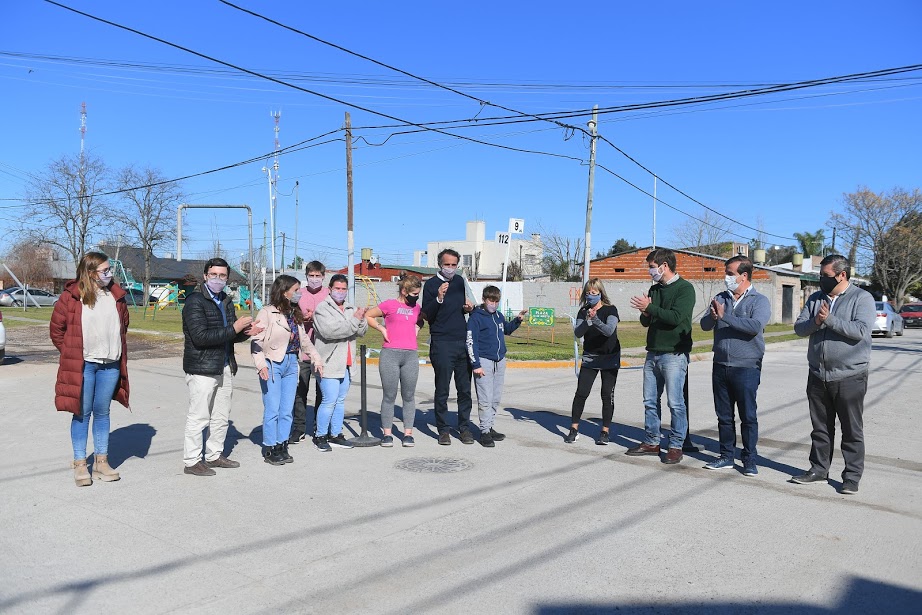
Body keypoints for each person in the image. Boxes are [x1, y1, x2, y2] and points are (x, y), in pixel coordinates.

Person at [791, 254, 875, 495]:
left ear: (842, 275)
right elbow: (799, 328)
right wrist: (817, 322)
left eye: (825, 275)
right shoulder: (816, 298)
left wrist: (829, 320)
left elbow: (860, 330)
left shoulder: (862, 298)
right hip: (818, 374)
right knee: (820, 428)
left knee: (851, 430)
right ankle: (819, 470)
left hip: (850, 375)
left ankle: (851, 477)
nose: (821, 280)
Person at [50, 251, 130, 487]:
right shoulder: (71, 297)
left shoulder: (115, 295)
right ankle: (80, 464)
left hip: (110, 364)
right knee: (82, 413)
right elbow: (57, 331)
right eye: (105, 270)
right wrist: (72, 352)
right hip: (84, 364)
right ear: (91, 272)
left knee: (102, 412)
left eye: (109, 269)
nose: (109, 274)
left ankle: (101, 462)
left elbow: (123, 324)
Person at [181, 258, 260, 476]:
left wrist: (245, 333)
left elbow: (229, 336)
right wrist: (235, 327)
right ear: (205, 276)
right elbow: (200, 337)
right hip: (202, 367)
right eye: (213, 275)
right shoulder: (195, 301)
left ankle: (214, 455)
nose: (218, 279)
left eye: (222, 275)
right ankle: (192, 461)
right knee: (199, 417)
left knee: (221, 416)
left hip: (224, 365)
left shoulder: (225, 300)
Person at [699, 255, 771, 476]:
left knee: (748, 416)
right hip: (720, 364)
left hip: (746, 367)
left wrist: (725, 317)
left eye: (730, 273)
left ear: (744, 276)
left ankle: (749, 459)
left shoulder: (759, 301)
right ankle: (726, 456)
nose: (726, 277)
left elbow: (754, 326)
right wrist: (713, 317)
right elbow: (704, 325)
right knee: (724, 415)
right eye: (726, 273)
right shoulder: (720, 298)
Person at [627, 248, 696, 464]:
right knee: (650, 401)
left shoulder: (685, 289)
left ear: (664, 266)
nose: (650, 271)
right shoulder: (654, 289)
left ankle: (676, 445)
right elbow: (647, 321)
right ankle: (652, 441)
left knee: (675, 403)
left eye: (652, 267)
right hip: (653, 352)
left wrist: (650, 308)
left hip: (674, 354)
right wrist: (646, 312)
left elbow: (676, 317)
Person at [252, 275, 323, 465]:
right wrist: (261, 364)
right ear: (284, 292)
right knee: (273, 408)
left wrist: (316, 357)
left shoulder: (293, 313)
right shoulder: (267, 312)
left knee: (286, 410)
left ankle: (282, 444)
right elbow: (256, 341)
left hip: (291, 363)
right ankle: (270, 447)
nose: (299, 293)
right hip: (272, 363)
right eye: (296, 290)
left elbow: (304, 339)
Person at [421, 248, 476, 445]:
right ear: (439, 265)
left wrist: (468, 308)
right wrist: (438, 298)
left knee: (464, 390)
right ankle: (443, 430)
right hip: (442, 342)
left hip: (462, 341)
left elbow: (463, 307)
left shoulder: (460, 281)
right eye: (447, 264)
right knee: (443, 389)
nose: (450, 268)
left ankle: (464, 428)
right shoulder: (431, 285)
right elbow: (427, 314)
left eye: (454, 265)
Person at [365, 275, 424, 447]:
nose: (416, 297)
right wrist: (381, 328)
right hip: (390, 354)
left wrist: (417, 328)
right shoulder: (389, 305)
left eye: (418, 294)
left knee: (409, 396)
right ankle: (387, 434)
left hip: (410, 355)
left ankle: (408, 434)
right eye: (414, 294)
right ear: (404, 291)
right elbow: (368, 315)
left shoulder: (416, 308)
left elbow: (421, 320)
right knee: (389, 395)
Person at [311, 274, 368, 451]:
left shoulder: (351, 308)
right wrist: (355, 320)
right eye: (337, 288)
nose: (340, 292)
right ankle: (320, 435)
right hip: (328, 362)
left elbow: (361, 331)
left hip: (347, 363)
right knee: (329, 400)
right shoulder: (322, 309)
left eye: (343, 289)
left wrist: (360, 319)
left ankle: (336, 434)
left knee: (340, 401)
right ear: (330, 289)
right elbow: (331, 331)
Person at [466, 285, 526, 447]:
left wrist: (517, 320)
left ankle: (490, 425)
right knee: (485, 398)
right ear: (484, 300)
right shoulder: (476, 317)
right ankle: (484, 431)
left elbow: (506, 329)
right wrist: (476, 364)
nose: (493, 304)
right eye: (491, 301)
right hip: (483, 361)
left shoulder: (498, 316)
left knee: (495, 397)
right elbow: (471, 342)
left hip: (499, 360)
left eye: (496, 301)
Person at [564, 278, 622, 446]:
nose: (590, 296)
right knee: (581, 393)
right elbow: (578, 332)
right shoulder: (583, 311)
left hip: (610, 358)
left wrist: (595, 319)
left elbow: (609, 331)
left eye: (594, 293)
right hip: (590, 357)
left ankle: (605, 431)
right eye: (588, 293)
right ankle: (574, 429)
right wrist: (588, 320)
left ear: (601, 293)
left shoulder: (610, 310)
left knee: (606, 394)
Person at [291, 260, 327, 443]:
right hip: (303, 351)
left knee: (323, 391)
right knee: (300, 391)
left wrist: (318, 318)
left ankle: (320, 427)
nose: (314, 279)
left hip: (323, 350)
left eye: (317, 276)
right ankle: (299, 427)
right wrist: (302, 317)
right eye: (311, 276)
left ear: (323, 276)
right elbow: (289, 314)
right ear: (306, 276)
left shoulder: (329, 294)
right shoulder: (299, 294)